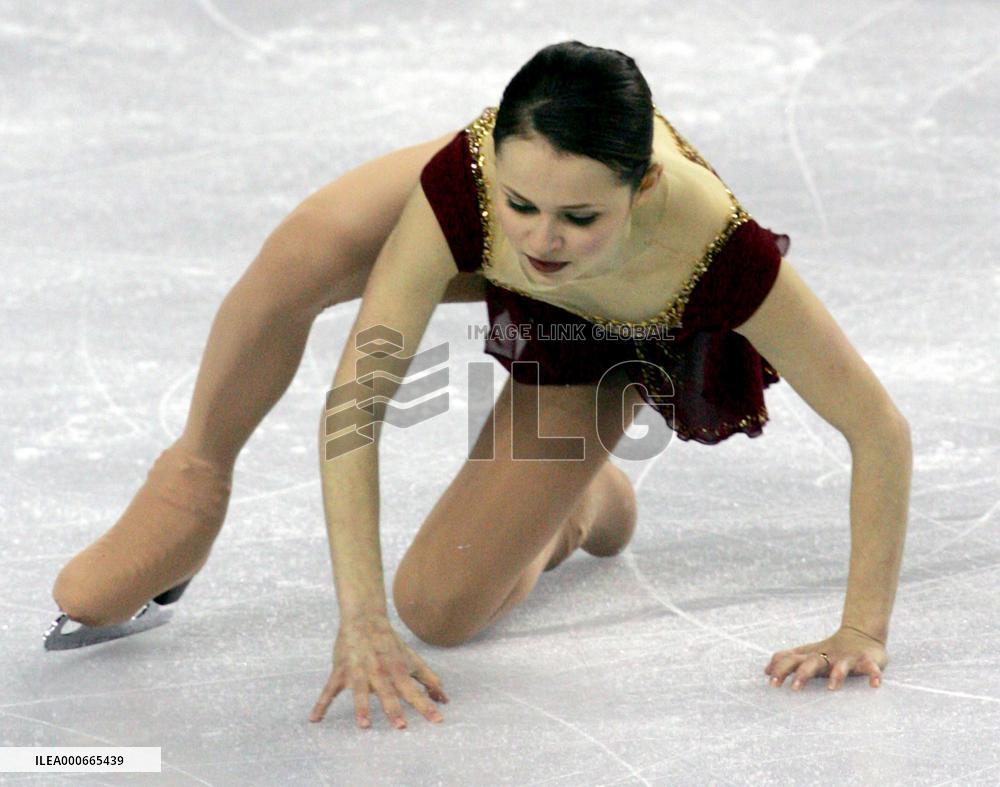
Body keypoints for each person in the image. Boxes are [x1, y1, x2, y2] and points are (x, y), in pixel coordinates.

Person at [49, 41, 912, 730]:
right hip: (487, 217)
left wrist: (861, 629)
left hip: (606, 331)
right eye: (522, 202)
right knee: (303, 254)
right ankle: (192, 479)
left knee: (438, 607)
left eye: (578, 216)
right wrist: (358, 618)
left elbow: (878, 429)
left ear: (643, 185)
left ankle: (582, 502)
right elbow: (359, 400)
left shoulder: (718, 254)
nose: (541, 239)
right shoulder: (468, 189)